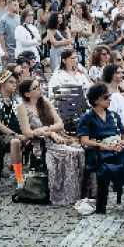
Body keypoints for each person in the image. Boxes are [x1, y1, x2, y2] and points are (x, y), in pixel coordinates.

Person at [16, 77, 85, 205]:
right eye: (36, 88)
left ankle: (78, 192)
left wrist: (45, 129)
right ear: (27, 93)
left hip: (55, 137)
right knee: (68, 154)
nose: (40, 89)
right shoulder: (22, 107)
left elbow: (60, 124)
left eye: (39, 85)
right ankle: (64, 194)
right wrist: (50, 133)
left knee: (79, 150)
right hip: (40, 143)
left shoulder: (45, 101)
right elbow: (27, 132)